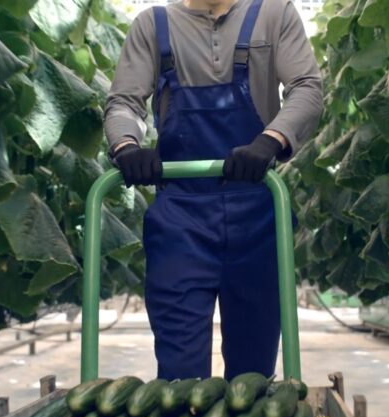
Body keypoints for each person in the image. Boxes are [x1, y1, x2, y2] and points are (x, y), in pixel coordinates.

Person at [103, 0, 323, 380]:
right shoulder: (153, 25)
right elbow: (124, 101)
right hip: (181, 222)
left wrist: (270, 140)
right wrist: (126, 145)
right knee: (179, 373)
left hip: (257, 215)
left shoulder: (275, 14)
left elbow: (306, 88)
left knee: (253, 373)